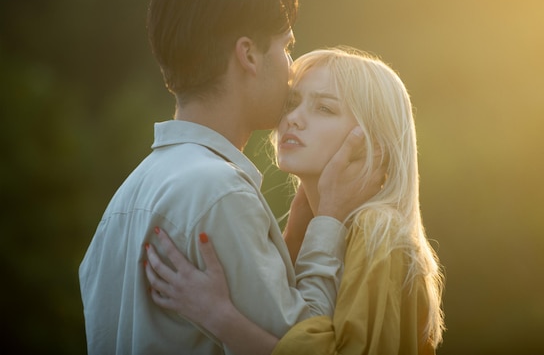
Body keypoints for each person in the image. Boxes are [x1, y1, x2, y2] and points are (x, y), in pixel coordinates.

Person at [79, 0, 380, 355]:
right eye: (286, 47)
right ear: (249, 55)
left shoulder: (126, 196)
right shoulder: (220, 191)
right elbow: (308, 338)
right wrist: (329, 219)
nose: (290, 69)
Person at [145, 47, 446, 354]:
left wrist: (219, 317)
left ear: (372, 144)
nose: (292, 119)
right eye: (292, 103)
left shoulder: (378, 230)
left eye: (324, 109)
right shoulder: (316, 226)